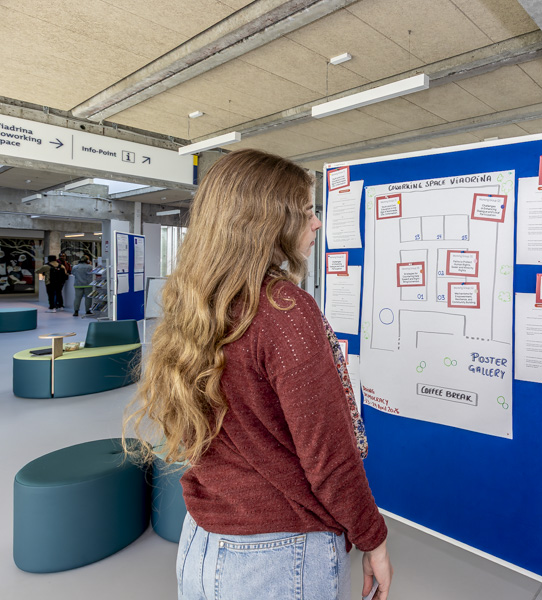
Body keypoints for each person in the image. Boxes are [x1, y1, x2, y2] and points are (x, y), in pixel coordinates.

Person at [124, 149, 392, 600]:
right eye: (306, 211)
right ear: (268, 221)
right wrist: (374, 538)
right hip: (280, 554)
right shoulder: (285, 309)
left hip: (203, 543)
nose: (317, 223)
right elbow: (329, 458)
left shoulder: (198, 303)